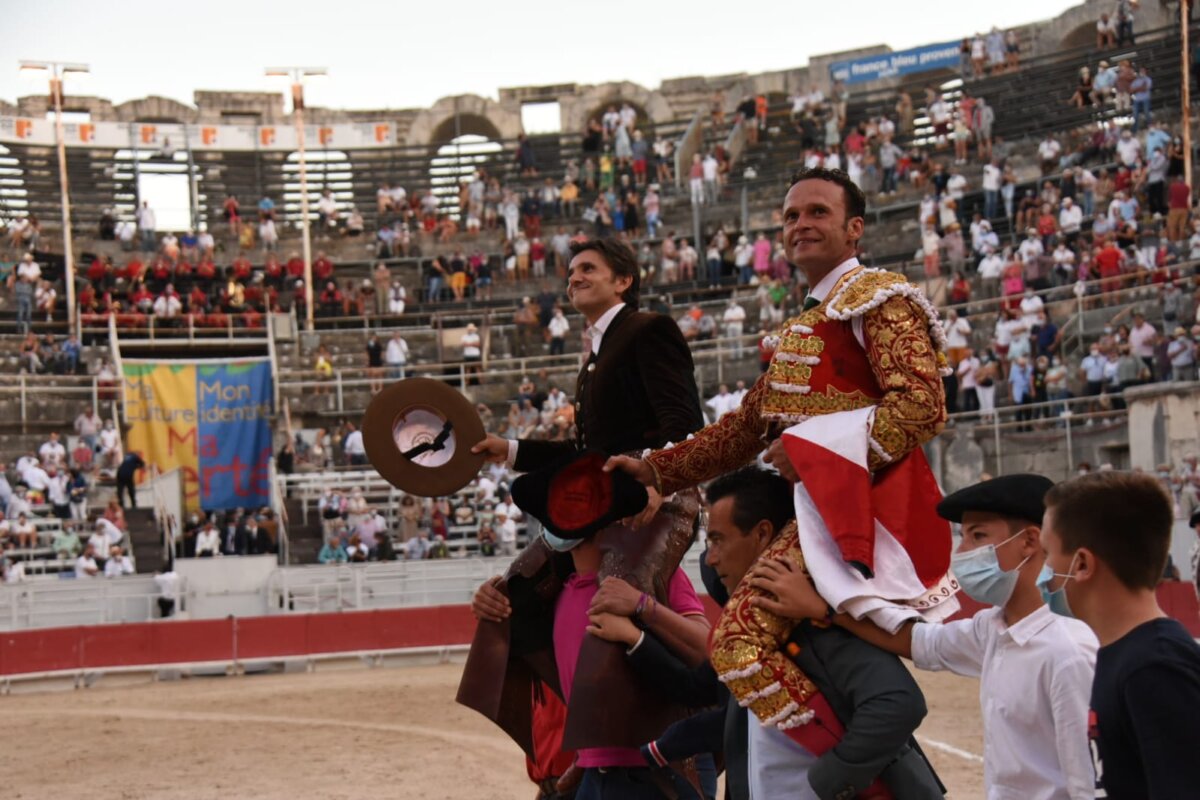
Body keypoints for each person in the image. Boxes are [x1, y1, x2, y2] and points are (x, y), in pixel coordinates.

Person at [607, 168, 956, 734]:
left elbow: (922, 406)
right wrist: (653, 467)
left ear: (854, 229)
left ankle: (857, 782)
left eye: (818, 212)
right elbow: (745, 429)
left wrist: (814, 451)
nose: (801, 225)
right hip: (816, 512)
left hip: (861, 513)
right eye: (792, 216)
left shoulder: (879, 301)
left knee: (740, 647)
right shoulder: (808, 323)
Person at [462, 236, 706, 763]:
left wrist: (658, 480)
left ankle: (661, 747)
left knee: (617, 610)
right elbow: (585, 452)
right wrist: (508, 449)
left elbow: (684, 425)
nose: (574, 277)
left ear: (624, 280)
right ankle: (581, 734)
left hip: (652, 501)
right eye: (571, 271)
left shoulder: (648, 330)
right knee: (515, 597)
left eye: (587, 268)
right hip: (607, 501)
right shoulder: (597, 350)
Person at [591, 467, 945, 799]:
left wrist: (830, 782)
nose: (711, 559)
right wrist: (634, 639)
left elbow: (898, 703)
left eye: (718, 540)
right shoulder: (752, 624)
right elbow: (702, 687)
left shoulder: (815, 621)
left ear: (762, 535)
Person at [1040, 472, 1200, 797]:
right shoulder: (1124, 652)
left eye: (1046, 553)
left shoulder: (1155, 667)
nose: (1041, 570)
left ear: (1082, 563)